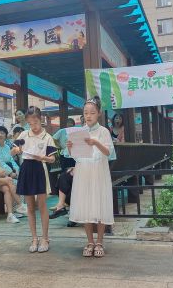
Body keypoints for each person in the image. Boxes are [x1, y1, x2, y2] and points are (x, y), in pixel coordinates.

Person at [67, 96, 115, 258]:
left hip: (99, 172)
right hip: (84, 172)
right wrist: (70, 147)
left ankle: (99, 241)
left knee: (100, 205)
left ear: (99, 113)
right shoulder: (79, 132)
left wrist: (96, 143)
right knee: (86, 206)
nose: (88, 116)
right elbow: (76, 156)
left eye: (92, 112)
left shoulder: (104, 131)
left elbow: (109, 152)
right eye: (86, 112)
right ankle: (89, 242)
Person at [11, 106, 57, 253]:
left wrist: (43, 157)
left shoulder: (47, 137)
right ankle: (34, 238)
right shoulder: (24, 134)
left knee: (42, 205)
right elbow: (12, 151)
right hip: (26, 168)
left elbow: (53, 159)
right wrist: (16, 150)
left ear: (40, 119)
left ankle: (45, 238)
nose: (33, 126)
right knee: (30, 207)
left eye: (35, 122)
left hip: (40, 169)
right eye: (30, 123)